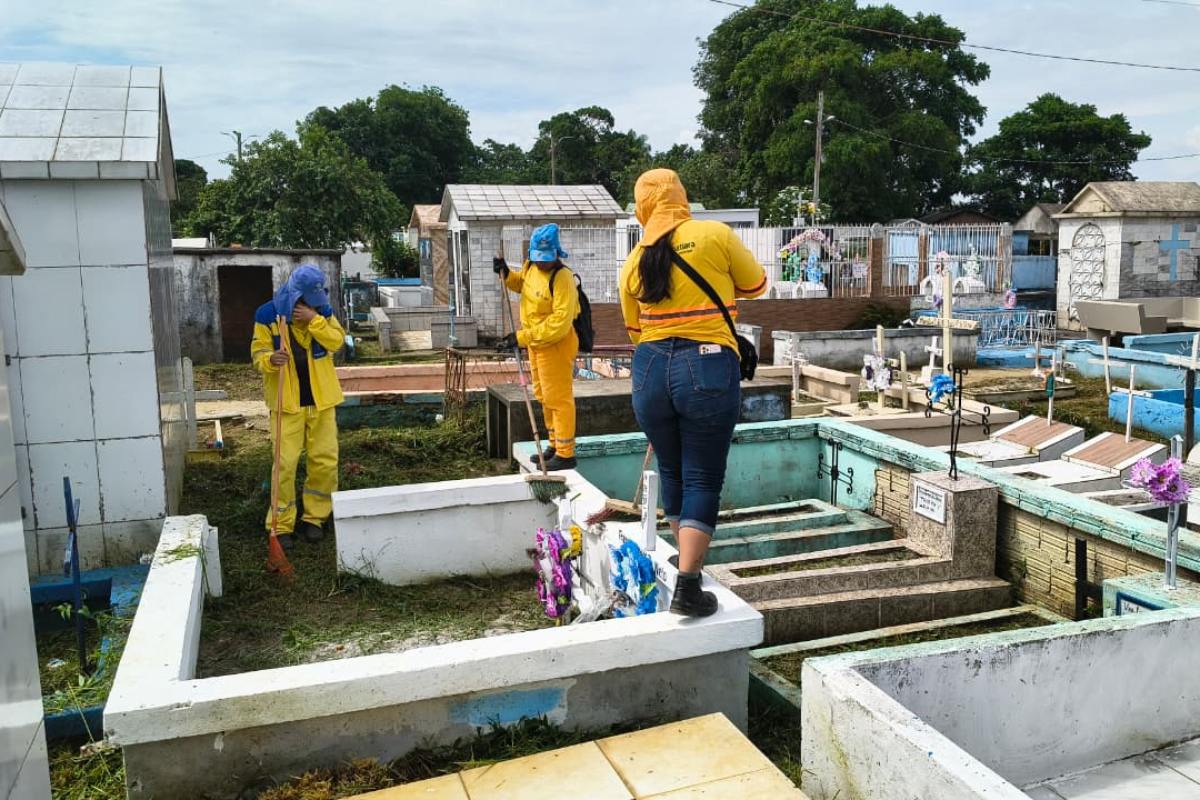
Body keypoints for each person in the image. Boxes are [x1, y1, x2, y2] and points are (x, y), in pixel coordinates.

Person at [619, 169, 767, 617]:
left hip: (648, 370)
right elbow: (757, 284)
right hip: (704, 364)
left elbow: (633, 329)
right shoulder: (714, 234)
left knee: (673, 469)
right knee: (703, 475)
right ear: (680, 197)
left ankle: (684, 558)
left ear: (643, 206)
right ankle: (688, 585)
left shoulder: (634, 260)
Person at [251, 264, 346, 551]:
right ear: (295, 295)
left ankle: (316, 518)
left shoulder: (323, 313)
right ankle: (280, 525)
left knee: (324, 461)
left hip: (321, 401)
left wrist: (315, 319)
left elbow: (337, 341)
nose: (311, 306)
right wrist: (270, 360)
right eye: (306, 302)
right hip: (286, 404)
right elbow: (258, 352)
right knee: (284, 463)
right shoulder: (267, 315)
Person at [493, 223, 580, 471]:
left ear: (556, 255)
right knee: (543, 395)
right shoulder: (531, 266)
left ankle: (566, 453)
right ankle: (555, 443)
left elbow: (558, 326)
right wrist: (506, 273)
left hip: (556, 346)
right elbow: (521, 284)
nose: (541, 264)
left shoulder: (563, 279)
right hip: (535, 344)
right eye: (538, 259)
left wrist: (520, 338)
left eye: (546, 259)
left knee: (558, 398)